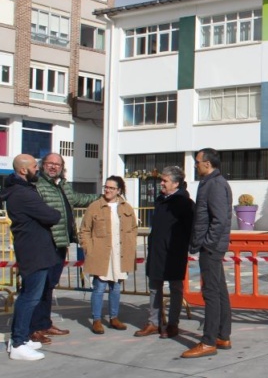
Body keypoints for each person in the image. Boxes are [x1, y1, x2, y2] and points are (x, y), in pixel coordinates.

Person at [30, 152, 100, 344]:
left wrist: (103, 196)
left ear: (62, 168)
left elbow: (79, 199)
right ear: (43, 165)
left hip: (60, 243)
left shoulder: (63, 186)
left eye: (57, 164)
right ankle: (34, 327)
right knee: (38, 288)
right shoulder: (37, 185)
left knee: (49, 286)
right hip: (44, 243)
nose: (53, 167)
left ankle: (44, 323)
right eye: (50, 163)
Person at [0, 154, 61, 361]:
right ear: (23, 170)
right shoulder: (23, 194)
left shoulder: (23, 190)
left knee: (28, 296)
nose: (38, 169)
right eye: (35, 166)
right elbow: (52, 215)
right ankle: (18, 342)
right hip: (34, 252)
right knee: (29, 298)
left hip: (35, 250)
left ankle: (21, 338)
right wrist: (52, 212)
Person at [181, 148, 233, 359]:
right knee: (219, 291)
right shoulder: (210, 183)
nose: (195, 165)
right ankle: (222, 336)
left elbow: (219, 219)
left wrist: (208, 245)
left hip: (211, 248)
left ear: (208, 164)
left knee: (211, 293)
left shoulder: (215, 185)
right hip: (211, 247)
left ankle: (209, 341)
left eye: (198, 161)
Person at [134, 166, 194, 339]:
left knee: (175, 287)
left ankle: (173, 324)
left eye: (165, 180)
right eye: (162, 180)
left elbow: (190, 228)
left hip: (174, 252)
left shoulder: (185, 203)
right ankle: (154, 322)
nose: (161, 183)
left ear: (176, 183)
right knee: (154, 286)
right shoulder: (160, 200)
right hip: (156, 250)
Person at [78, 176, 138, 335]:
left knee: (116, 287)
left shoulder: (126, 207)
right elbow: (84, 230)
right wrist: (88, 249)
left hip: (119, 254)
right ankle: (96, 320)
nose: (107, 190)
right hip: (101, 253)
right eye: (106, 187)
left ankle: (114, 317)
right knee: (99, 287)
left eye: (111, 188)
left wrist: (130, 243)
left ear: (118, 190)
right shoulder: (95, 207)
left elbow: (133, 228)